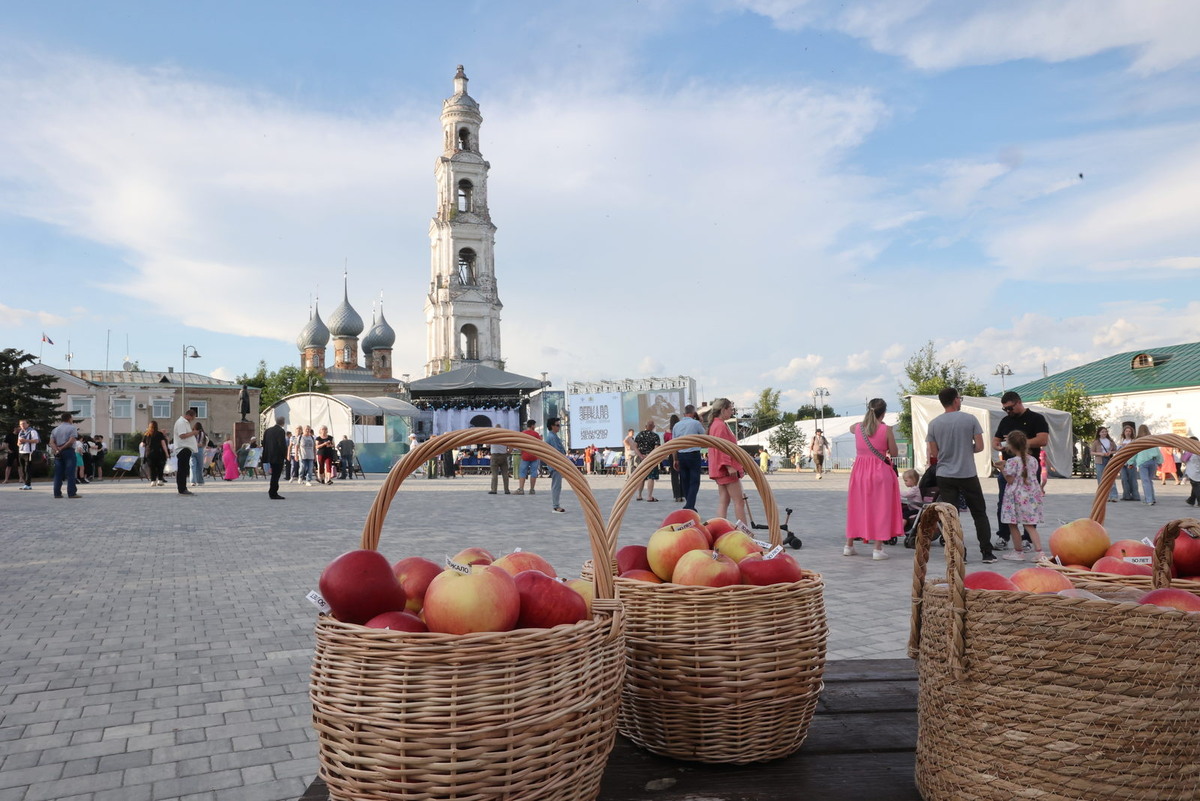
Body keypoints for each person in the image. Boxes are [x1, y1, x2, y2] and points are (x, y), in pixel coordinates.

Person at [927, 387, 997, 564]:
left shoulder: (934, 423)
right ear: (955, 400)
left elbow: (934, 451)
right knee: (979, 512)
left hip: (945, 474)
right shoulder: (970, 419)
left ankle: (959, 553)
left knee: (951, 516)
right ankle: (987, 552)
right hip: (967, 473)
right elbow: (980, 446)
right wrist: (966, 449)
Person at [844, 398, 903, 560]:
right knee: (881, 509)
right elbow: (894, 452)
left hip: (859, 472)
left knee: (857, 506)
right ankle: (877, 549)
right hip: (879, 471)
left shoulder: (857, 428)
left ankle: (849, 545)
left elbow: (852, 428)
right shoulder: (886, 429)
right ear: (883, 413)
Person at [992, 391, 1048, 548]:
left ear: (1018, 402)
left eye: (1010, 408)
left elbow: (1043, 439)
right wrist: (997, 445)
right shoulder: (1005, 420)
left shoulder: (1036, 418)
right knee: (1004, 502)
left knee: (1028, 503)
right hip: (1009, 465)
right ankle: (1003, 536)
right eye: (1005, 409)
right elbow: (995, 440)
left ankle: (1027, 539)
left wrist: (1018, 444)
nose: (1008, 412)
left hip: (1027, 467)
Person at [998, 431, 1046, 561]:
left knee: (1013, 524)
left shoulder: (1012, 461)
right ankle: (1040, 552)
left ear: (1011, 447)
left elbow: (1010, 480)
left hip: (1015, 496)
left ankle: (1018, 552)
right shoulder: (1033, 460)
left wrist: (1002, 468)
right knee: (1029, 525)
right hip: (1030, 496)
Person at [704, 398, 747, 524]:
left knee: (724, 501)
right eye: (730, 409)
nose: (732, 412)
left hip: (720, 469)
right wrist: (728, 466)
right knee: (739, 501)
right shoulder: (720, 425)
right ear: (723, 410)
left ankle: (719, 527)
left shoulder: (715, 424)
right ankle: (744, 532)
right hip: (726, 470)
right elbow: (722, 448)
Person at [671, 405, 705, 511]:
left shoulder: (676, 425)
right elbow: (705, 436)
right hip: (693, 454)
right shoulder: (696, 423)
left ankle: (689, 503)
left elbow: (674, 444)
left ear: (684, 413)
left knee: (684, 480)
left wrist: (675, 459)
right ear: (693, 413)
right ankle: (690, 505)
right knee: (694, 481)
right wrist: (701, 421)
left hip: (681, 455)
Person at [49, 412, 81, 499]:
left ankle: (57, 493)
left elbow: (51, 442)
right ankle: (71, 493)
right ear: (70, 418)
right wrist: (62, 448)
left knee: (58, 473)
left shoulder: (55, 430)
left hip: (58, 453)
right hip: (68, 451)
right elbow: (71, 441)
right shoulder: (72, 428)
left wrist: (57, 449)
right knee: (70, 472)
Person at [172, 408, 199, 495]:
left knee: (184, 469)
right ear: (188, 416)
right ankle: (182, 488)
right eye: (192, 418)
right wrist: (193, 433)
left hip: (186, 449)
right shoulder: (181, 422)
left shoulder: (185, 422)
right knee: (182, 470)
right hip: (183, 449)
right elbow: (182, 435)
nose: (192, 420)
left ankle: (183, 487)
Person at [1133, 424, 1161, 505]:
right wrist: (1159, 461)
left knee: (1145, 481)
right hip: (1152, 461)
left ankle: (1149, 500)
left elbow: (1134, 452)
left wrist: (1130, 462)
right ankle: (1152, 498)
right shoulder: (1152, 439)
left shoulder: (1138, 440)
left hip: (1143, 461)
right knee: (1149, 480)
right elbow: (1157, 451)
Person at [634, 420, 661, 502]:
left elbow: (635, 447)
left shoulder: (639, 435)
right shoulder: (655, 436)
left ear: (645, 426)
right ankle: (649, 496)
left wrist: (641, 455)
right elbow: (656, 449)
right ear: (653, 427)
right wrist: (648, 456)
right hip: (651, 459)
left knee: (641, 477)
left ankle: (639, 495)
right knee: (651, 477)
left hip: (641, 459)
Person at [544, 417, 567, 513]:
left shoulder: (553, 436)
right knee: (556, 485)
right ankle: (556, 506)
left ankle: (556, 505)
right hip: (556, 464)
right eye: (557, 425)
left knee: (557, 485)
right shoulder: (552, 437)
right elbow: (557, 451)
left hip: (556, 464)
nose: (559, 427)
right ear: (552, 426)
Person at [1090, 427, 1119, 503]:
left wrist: (1110, 452)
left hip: (1109, 459)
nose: (1104, 433)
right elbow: (1092, 452)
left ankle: (1113, 496)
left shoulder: (1110, 441)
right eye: (1102, 432)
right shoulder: (1096, 442)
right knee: (1101, 478)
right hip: (1100, 460)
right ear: (1099, 433)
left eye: (1105, 432)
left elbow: (1116, 450)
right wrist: (1100, 453)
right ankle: (1103, 496)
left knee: (1110, 477)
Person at [262, 416, 288, 500]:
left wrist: (266, 454)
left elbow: (264, 443)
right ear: (283, 422)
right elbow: (282, 444)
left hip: (269, 455)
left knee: (274, 475)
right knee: (276, 475)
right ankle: (273, 492)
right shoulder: (281, 431)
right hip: (277, 456)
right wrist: (285, 455)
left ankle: (272, 491)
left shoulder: (267, 430)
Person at [516, 419, 541, 495]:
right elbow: (540, 444)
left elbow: (519, 445)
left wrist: (521, 452)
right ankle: (532, 489)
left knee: (522, 472)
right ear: (532, 425)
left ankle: (521, 489)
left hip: (525, 456)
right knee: (533, 472)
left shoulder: (523, 433)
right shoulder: (536, 434)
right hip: (534, 456)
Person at [1116, 422, 1139, 501]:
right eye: (1126, 431)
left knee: (1132, 479)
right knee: (1124, 479)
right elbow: (1117, 451)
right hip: (1123, 462)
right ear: (1124, 432)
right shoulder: (1122, 441)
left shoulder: (1134, 441)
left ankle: (1135, 495)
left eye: (1129, 431)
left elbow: (1136, 451)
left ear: (1132, 432)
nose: (1128, 433)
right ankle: (1126, 495)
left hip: (1131, 461)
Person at [664, 413, 683, 502]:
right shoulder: (680, 430)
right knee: (683, 474)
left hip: (671, 454)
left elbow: (666, 445)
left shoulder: (667, 433)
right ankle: (683, 493)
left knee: (674, 476)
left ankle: (677, 495)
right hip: (681, 453)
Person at [144, 420, 170, 487]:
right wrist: (167, 453)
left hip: (149, 453)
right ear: (156, 426)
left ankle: (153, 481)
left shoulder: (146, 434)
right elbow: (163, 444)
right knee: (160, 467)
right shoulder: (160, 434)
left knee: (152, 467)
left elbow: (142, 444)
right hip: (159, 453)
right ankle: (160, 480)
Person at [488, 425, 510, 495]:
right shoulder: (504, 436)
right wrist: (508, 452)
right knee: (505, 474)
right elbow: (511, 445)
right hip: (503, 455)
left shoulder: (491, 436)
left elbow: (487, 445)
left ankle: (494, 490)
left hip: (494, 456)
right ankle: (506, 490)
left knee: (494, 474)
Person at [16, 419, 38, 490]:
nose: (22, 425)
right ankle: (26, 484)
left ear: (28, 424)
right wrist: (19, 443)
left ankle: (28, 484)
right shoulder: (21, 432)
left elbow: (36, 440)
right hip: (21, 452)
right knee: (22, 469)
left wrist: (25, 440)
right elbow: (18, 443)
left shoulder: (32, 431)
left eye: (23, 424)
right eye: (20, 424)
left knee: (27, 469)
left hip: (29, 452)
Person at [190, 422, 207, 487]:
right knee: (200, 466)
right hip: (199, 450)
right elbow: (202, 444)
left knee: (192, 466)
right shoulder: (202, 434)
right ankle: (200, 481)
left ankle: (192, 481)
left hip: (191, 450)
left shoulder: (191, 433)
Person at [1184, 436, 1200, 507]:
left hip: (1192, 471)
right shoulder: (1198, 449)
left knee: (1196, 486)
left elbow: (1184, 459)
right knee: (1195, 485)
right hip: (1198, 470)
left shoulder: (1190, 451)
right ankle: (1191, 500)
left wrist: (1182, 452)